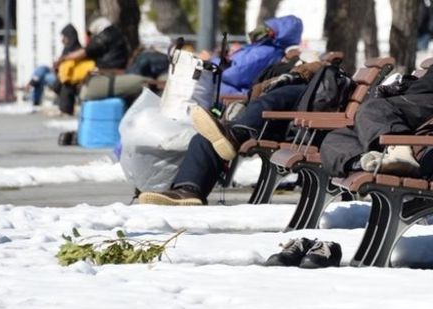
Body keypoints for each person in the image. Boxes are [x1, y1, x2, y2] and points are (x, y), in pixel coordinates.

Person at [137, 59, 330, 206]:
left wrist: (304, 71)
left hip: (298, 130)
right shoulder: (282, 77)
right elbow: (255, 93)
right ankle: (188, 190)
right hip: (267, 122)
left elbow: (321, 72)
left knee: (269, 101)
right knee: (204, 138)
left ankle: (235, 135)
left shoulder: (313, 85)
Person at [319, 63, 433, 178]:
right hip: (415, 114)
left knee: (371, 108)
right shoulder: (424, 78)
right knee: (334, 138)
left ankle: (399, 152)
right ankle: (371, 162)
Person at [26, 24, 82, 111]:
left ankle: (33, 95)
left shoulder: (76, 50)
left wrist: (58, 66)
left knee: (42, 76)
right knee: (42, 68)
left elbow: (68, 67)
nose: (62, 40)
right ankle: (33, 83)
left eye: (64, 37)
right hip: (59, 74)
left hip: (65, 79)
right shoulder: (68, 49)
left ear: (70, 37)